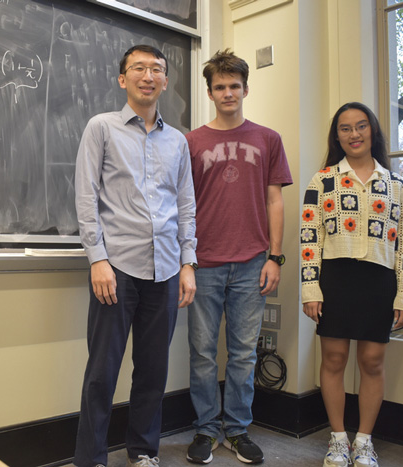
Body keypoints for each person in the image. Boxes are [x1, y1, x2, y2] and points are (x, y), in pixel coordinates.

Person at [73, 44, 198, 467]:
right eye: (139, 68)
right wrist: (97, 259)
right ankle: (90, 459)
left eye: (157, 69)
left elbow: (185, 206)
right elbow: (86, 197)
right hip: (117, 269)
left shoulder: (178, 141)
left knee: (152, 372)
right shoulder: (101, 128)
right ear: (123, 78)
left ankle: (143, 451)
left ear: (165, 80)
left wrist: (187, 263)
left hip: (165, 268)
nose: (148, 76)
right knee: (102, 373)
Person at [184, 49, 293, 465]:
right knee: (203, 352)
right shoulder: (192, 142)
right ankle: (206, 429)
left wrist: (275, 257)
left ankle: (238, 429)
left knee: (245, 352)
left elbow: (275, 201)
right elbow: (184, 205)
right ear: (210, 92)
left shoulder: (267, 139)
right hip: (204, 263)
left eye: (234, 86)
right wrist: (186, 261)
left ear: (246, 88)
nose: (228, 92)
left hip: (252, 263)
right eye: (220, 87)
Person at [300, 102, 403, 467]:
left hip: (379, 282)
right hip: (335, 279)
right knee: (333, 359)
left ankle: (364, 442)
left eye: (361, 126)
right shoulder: (323, 181)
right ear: (337, 136)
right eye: (346, 128)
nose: (354, 134)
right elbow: (308, 237)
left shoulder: (395, 186)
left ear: (373, 132)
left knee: (372, 362)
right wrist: (310, 288)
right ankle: (337, 439)